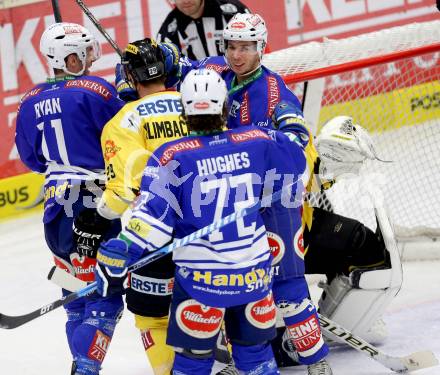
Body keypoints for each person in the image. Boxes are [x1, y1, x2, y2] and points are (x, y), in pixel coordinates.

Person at [169, 12, 395, 369]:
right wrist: (164, 60)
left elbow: (297, 136)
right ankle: (242, 355)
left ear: (261, 47)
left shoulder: (274, 90)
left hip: (276, 202)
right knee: (235, 284)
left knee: (288, 286)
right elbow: (180, 68)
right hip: (235, 199)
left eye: (245, 47)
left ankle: (317, 361)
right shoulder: (216, 72)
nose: (237, 54)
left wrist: (277, 143)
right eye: (231, 46)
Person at [93, 68, 315, 375]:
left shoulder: (170, 155)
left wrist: (123, 247)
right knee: (257, 359)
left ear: (184, 111)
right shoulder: (257, 141)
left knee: (193, 363)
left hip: (201, 283)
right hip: (253, 277)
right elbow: (298, 159)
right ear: (225, 107)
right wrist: (292, 121)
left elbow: (152, 224)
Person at [15, 23, 125, 375]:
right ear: (69, 56)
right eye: (86, 51)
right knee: (104, 298)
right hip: (91, 203)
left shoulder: (29, 100)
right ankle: (85, 368)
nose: (92, 56)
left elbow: (32, 159)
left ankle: (82, 364)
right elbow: (124, 136)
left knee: (76, 298)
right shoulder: (97, 90)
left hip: (54, 211)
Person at [96, 37, 189, 375]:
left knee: (153, 315)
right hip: (206, 227)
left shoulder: (121, 122)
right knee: (213, 304)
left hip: (152, 233)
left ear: (129, 77)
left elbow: (121, 194)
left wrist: (97, 216)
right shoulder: (199, 104)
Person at [157, 0, 250, 60]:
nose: (185, 1)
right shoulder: (168, 30)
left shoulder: (233, 11)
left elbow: (256, 47)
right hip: (198, 87)